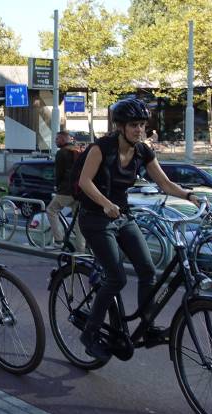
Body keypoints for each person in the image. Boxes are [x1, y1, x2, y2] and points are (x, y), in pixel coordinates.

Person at [77, 97, 199, 360]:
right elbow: (85, 182)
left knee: (147, 269)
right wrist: (106, 204)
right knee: (116, 277)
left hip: (122, 216)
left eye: (142, 125)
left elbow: (165, 184)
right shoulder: (102, 148)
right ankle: (90, 332)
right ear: (119, 126)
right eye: (134, 125)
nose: (139, 130)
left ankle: (147, 324)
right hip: (95, 218)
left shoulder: (143, 151)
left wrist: (189, 196)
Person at [47, 131, 84, 249]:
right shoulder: (79, 150)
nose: (55, 141)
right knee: (78, 220)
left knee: (51, 210)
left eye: (57, 139)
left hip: (66, 190)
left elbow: (59, 173)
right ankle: (81, 249)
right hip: (79, 190)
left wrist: (57, 186)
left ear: (63, 139)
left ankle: (58, 241)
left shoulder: (62, 153)